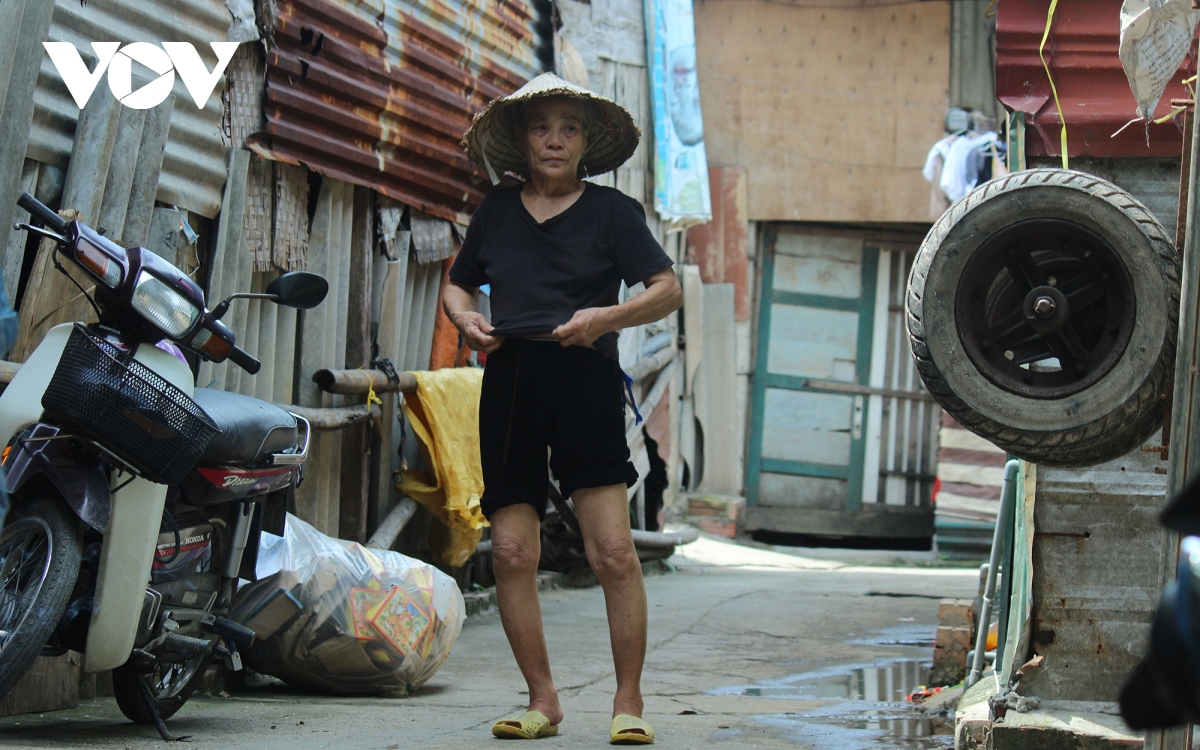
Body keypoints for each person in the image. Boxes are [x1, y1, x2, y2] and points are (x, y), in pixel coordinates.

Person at [447, 73, 682, 745]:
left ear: (588, 142)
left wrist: (605, 317)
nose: (554, 139)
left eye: (568, 128)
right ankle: (542, 701)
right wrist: (467, 320)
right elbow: (459, 287)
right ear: (521, 139)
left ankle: (628, 703)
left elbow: (666, 289)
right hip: (513, 377)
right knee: (514, 551)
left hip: (585, 376)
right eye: (541, 126)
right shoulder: (496, 209)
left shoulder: (613, 213)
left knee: (611, 549)